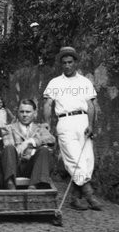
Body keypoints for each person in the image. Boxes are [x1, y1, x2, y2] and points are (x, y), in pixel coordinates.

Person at [43, 46, 101, 210]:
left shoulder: (84, 82)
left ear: (75, 63)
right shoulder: (55, 82)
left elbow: (90, 105)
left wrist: (91, 125)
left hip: (82, 121)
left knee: (87, 160)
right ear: (61, 65)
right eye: (64, 63)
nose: (67, 65)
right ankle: (89, 194)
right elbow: (47, 104)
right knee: (74, 160)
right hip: (65, 121)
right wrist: (47, 124)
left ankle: (75, 198)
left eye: (70, 62)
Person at [1, 99, 56, 190]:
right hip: (15, 166)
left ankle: (33, 187)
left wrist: (30, 142)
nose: (24, 115)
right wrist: (32, 149)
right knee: (9, 148)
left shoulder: (40, 128)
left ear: (34, 113)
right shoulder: (9, 128)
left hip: (34, 167)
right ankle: (10, 185)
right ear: (17, 113)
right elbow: (8, 145)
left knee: (44, 150)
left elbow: (51, 139)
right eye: (21, 111)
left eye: (28, 112)